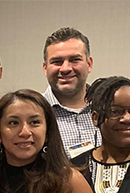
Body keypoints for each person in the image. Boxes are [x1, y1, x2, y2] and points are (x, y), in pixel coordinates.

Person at [41, 27, 99, 160]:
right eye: (57, 62)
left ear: (89, 64)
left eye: (74, 60)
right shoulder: (34, 114)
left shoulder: (107, 110)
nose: (65, 68)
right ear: (45, 68)